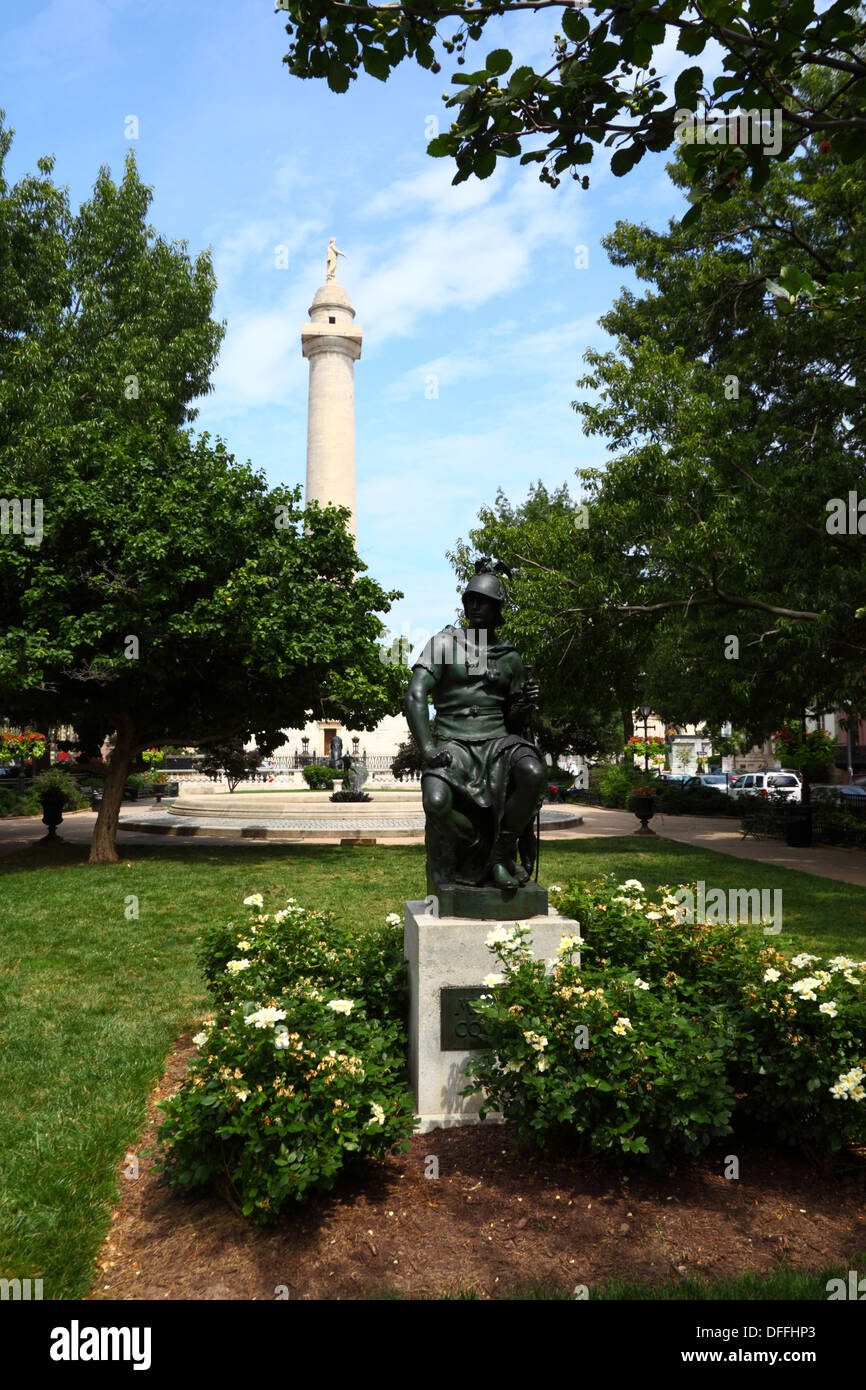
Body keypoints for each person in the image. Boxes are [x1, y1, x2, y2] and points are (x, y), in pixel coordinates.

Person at [404, 559, 547, 891]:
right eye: (470, 599)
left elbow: (513, 720)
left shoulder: (510, 657)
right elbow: (415, 694)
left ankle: (500, 855)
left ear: (499, 609)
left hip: (497, 744)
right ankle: (478, 850)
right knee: (436, 804)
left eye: (484, 601)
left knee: (534, 773)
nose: (475, 605)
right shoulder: (444, 643)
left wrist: (524, 706)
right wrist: (427, 747)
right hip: (453, 744)